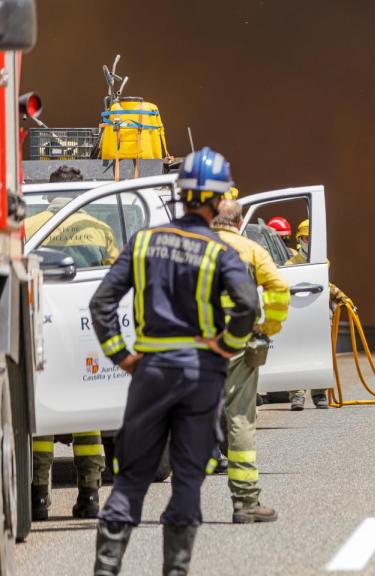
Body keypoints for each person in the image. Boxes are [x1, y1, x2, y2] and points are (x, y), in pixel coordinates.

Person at [89, 147, 258, 575]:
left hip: (151, 374)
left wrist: (122, 356)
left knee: (130, 479)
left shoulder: (143, 241)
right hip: (201, 376)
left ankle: (106, 569)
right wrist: (227, 344)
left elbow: (102, 301)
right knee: (187, 481)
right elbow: (247, 306)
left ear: (181, 194)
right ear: (220, 200)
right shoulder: (221, 252)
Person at [31, 165, 108, 522]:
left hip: (42, 327)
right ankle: (90, 496)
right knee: (87, 410)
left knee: (42, 414)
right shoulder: (100, 229)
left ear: (49, 195)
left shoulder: (30, 226)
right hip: (85, 330)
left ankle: (37, 499)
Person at [212, 198, 290, 524]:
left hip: (192, 343)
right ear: (239, 221)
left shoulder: (192, 245)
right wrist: (267, 326)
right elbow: (279, 286)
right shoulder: (251, 250)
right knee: (240, 417)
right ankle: (245, 502)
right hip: (237, 344)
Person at [286, 218, 344, 410]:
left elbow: (325, 285)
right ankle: (297, 395)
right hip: (297, 313)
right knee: (296, 353)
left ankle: (319, 394)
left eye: (312, 238)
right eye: (305, 238)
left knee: (321, 351)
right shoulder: (290, 264)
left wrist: (341, 297)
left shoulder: (322, 262)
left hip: (318, 311)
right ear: (299, 239)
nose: (308, 242)